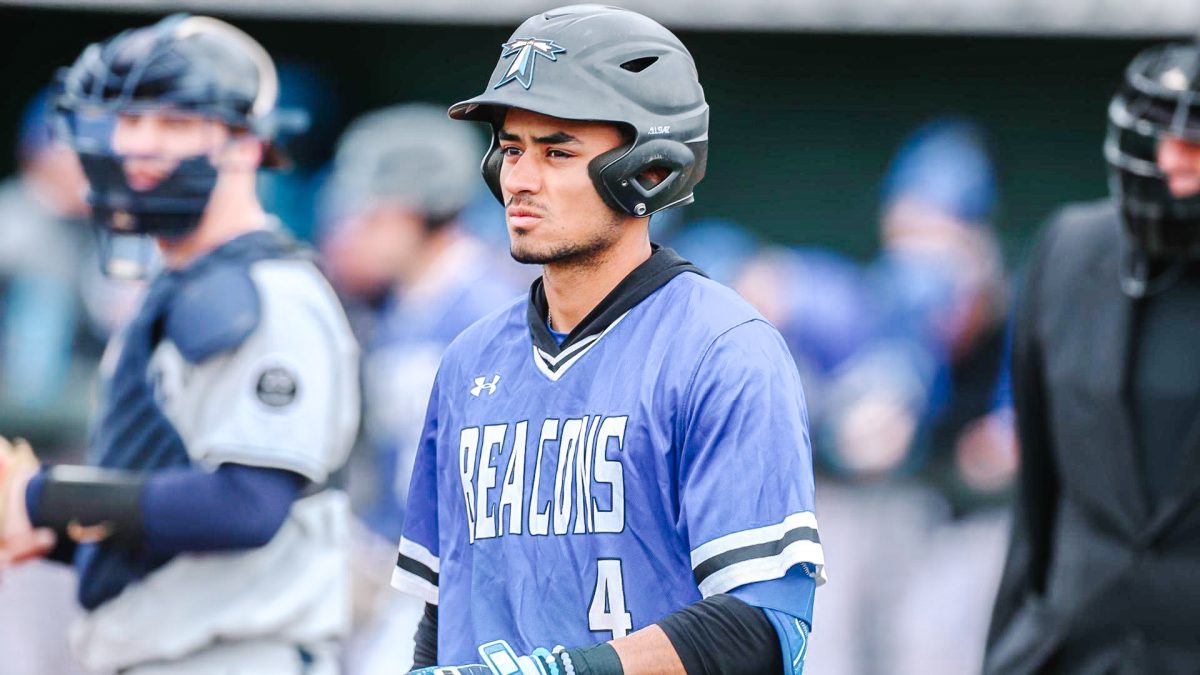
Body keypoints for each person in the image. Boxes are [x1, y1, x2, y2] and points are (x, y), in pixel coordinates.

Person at [388, 6, 825, 675]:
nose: (520, 179)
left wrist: (560, 671)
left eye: (557, 150)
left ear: (649, 168)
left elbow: (763, 624)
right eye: (511, 148)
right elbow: (445, 616)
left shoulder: (724, 346)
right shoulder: (469, 360)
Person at [0, 14, 359, 674]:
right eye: (127, 121)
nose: (137, 145)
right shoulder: (180, 282)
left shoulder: (270, 290)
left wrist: (45, 496)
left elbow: (247, 506)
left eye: (172, 123)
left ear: (246, 142)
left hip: (240, 658)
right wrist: (51, 531)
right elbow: (170, 522)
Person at [987, 39, 1200, 674]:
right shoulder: (1068, 251)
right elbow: (1037, 505)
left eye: (1193, 145)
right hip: (1073, 652)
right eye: (1159, 135)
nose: (1170, 162)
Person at [317, 103, 522, 673]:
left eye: (374, 216)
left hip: (471, 574)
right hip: (403, 555)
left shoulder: (490, 308)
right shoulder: (397, 307)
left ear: (425, 214)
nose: (353, 233)